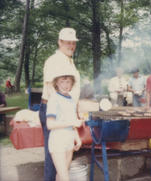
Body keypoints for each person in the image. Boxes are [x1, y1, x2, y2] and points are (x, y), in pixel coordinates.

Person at [39, 27, 80, 181]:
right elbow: (52, 90)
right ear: (59, 42)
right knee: (54, 159)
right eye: (68, 43)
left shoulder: (69, 61)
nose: (71, 46)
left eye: (73, 43)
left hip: (65, 112)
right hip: (55, 112)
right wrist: (68, 114)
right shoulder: (54, 60)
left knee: (63, 163)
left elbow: (71, 90)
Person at [47, 73, 82, 181]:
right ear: (56, 82)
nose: (65, 85)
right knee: (65, 178)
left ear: (72, 83)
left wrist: (77, 138)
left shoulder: (71, 99)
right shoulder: (54, 98)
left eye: (68, 82)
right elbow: (50, 124)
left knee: (62, 175)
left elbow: (73, 123)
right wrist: (72, 122)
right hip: (58, 140)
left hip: (69, 140)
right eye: (62, 81)